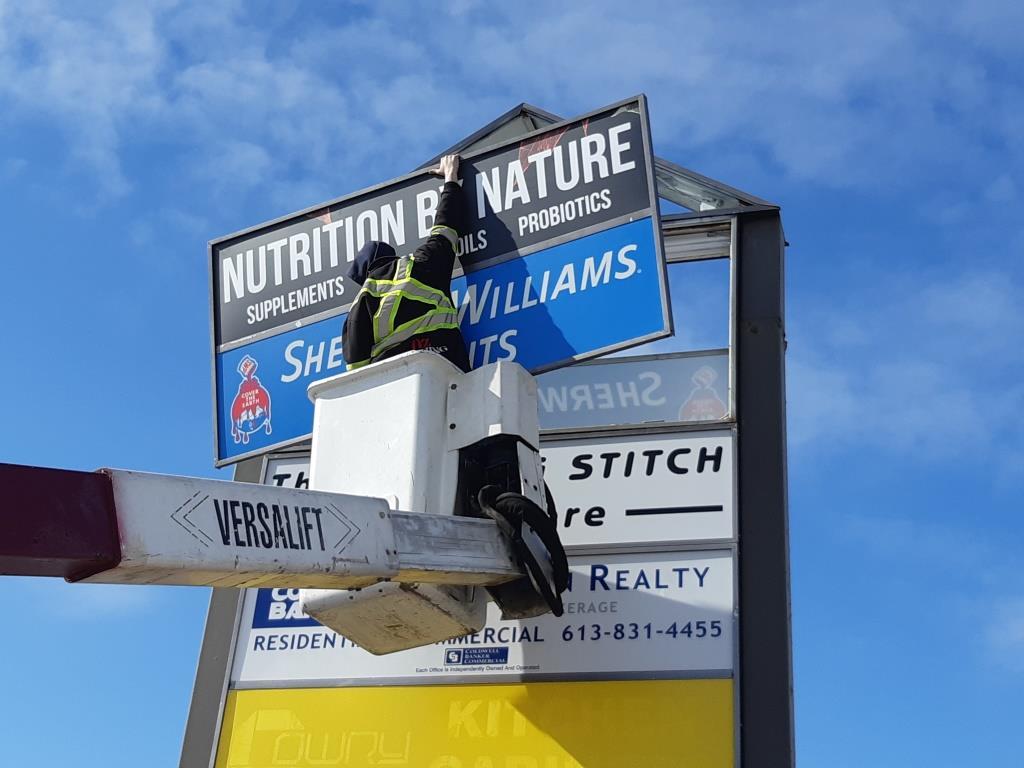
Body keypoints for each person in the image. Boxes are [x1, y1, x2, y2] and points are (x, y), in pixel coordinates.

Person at [342, 154, 471, 372]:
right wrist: (450, 177)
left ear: (365, 271)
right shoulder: (421, 262)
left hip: (393, 380)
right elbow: (446, 225)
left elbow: (356, 366)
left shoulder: (363, 298)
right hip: (446, 362)